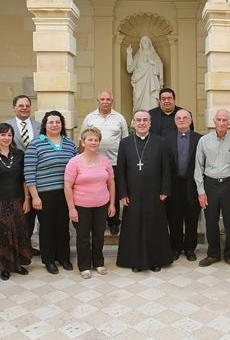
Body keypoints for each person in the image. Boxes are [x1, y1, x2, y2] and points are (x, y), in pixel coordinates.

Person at [116, 109, 172, 272]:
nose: (141, 123)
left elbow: (166, 169)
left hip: (155, 192)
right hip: (132, 193)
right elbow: (121, 170)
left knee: (154, 225)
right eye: (138, 120)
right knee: (134, 226)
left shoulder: (160, 142)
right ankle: (135, 260)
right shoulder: (125, 143)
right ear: (133, 123)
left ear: (150, 123)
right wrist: (123, 193)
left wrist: (165, 189)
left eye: (145, 120)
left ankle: (155, 260)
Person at [24, 110, 77, 275]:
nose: (55, 125)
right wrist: (34, 196)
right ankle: (49, 260)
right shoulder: (36, 144)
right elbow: (29, 172)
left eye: (58, 122)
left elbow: (76, 168)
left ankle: (64, 258)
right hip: (44, 193)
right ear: (45, 125)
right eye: (51, 122)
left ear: (62, 125)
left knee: (63, 227)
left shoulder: (69, 143)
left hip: (65, 193)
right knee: (46, 228)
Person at [195, 109, 230, 270]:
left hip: (229, 185)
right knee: (211, 221)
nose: (222, 123)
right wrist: (201, 191)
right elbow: (198, 168)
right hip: (210, 184)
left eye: (225, 120)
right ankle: (213, 253)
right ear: (214, 121)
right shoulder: (204, 140)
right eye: (219, 119)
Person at [64, 127, 115, 279]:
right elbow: (67, 186)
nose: (93, 142)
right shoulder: (74, 162)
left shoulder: (105, 160)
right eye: (90, 139)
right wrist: (71, 208)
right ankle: (84, 266)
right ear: (83, 142)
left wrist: (112, 204)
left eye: (96, 140)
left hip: (101, 204)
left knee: (99, 235)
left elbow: (111, 183)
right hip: (81, 206)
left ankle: (98, 262)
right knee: (83, 237)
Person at [0, 123, 31, 280]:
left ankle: (17, 264)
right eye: (3, 134)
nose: (6, 138)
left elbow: (24, 179)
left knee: (17, 232)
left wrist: (27, 199)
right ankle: (3, 267)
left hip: (17, 200)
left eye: (9, 135)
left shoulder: (19, 155)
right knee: (1, 236)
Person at [80, 90, 128, 235]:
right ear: (98, 100)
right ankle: (99, 220)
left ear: (112, 101)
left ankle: (113, 222)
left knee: (114, 191)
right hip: (94, 162)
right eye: (102, 99)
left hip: (115, 161)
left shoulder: (119, 118)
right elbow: (82, 140)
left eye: (108, 99)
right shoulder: (90, 117)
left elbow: (125, 141)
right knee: (99, 191)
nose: (105, 101)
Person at [5, 94, 41, 256]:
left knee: (30, 215)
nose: (24, 108)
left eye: (27, 105)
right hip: (14, 176)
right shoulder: (6, 126)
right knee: (17, 213)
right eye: (21, 105)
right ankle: (15, 249)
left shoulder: (39, 126)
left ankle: (26, 246)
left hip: (35, 176)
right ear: (14, 108)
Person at [165, 109, 202, 261]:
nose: (181, 120)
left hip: (192, 184)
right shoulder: (166, 140)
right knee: (174, 218)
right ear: (175, 121)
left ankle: (190, 249)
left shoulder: (200, 139)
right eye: (178, 118)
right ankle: (175, 248)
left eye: (185, 117)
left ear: (191, 120)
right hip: (174, 185)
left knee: (192, 218)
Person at [126, 36, 164, 111]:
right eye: (143, 41)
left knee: (152, 100)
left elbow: (160, 65)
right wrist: (129, 55)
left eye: (146, 41)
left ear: (150, 43)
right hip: (139, 82)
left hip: (151, 82)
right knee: (138, 98)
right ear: (141, 44)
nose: (145, 42)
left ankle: (152, 116)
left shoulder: (153, 54)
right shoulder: (138, 55)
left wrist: (152, 62)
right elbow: (130, 69)